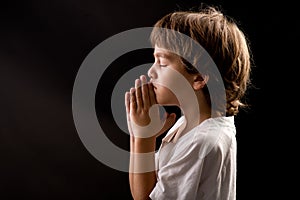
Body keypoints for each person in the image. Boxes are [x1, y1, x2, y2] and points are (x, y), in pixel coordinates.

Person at [125, 4, 252, 200]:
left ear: (199, 78)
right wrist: (139, 134)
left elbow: (143, 198)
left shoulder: (201, 142)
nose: (151, 72)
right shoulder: (189, 124)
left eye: (163, 63)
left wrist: (143, 138)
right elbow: (150, 186)